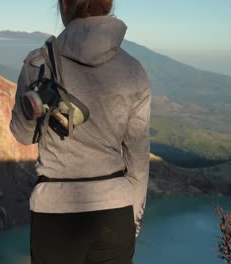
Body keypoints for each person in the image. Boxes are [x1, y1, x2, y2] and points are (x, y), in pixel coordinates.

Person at [9, 0, 151, 263]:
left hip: (54, 214)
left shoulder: (39, 64)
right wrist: (133, 217)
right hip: (115, 211)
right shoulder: (134, 70)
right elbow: (138, 157)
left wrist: (32, 108)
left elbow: (23, 135)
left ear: (64, 5)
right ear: (107, 5)